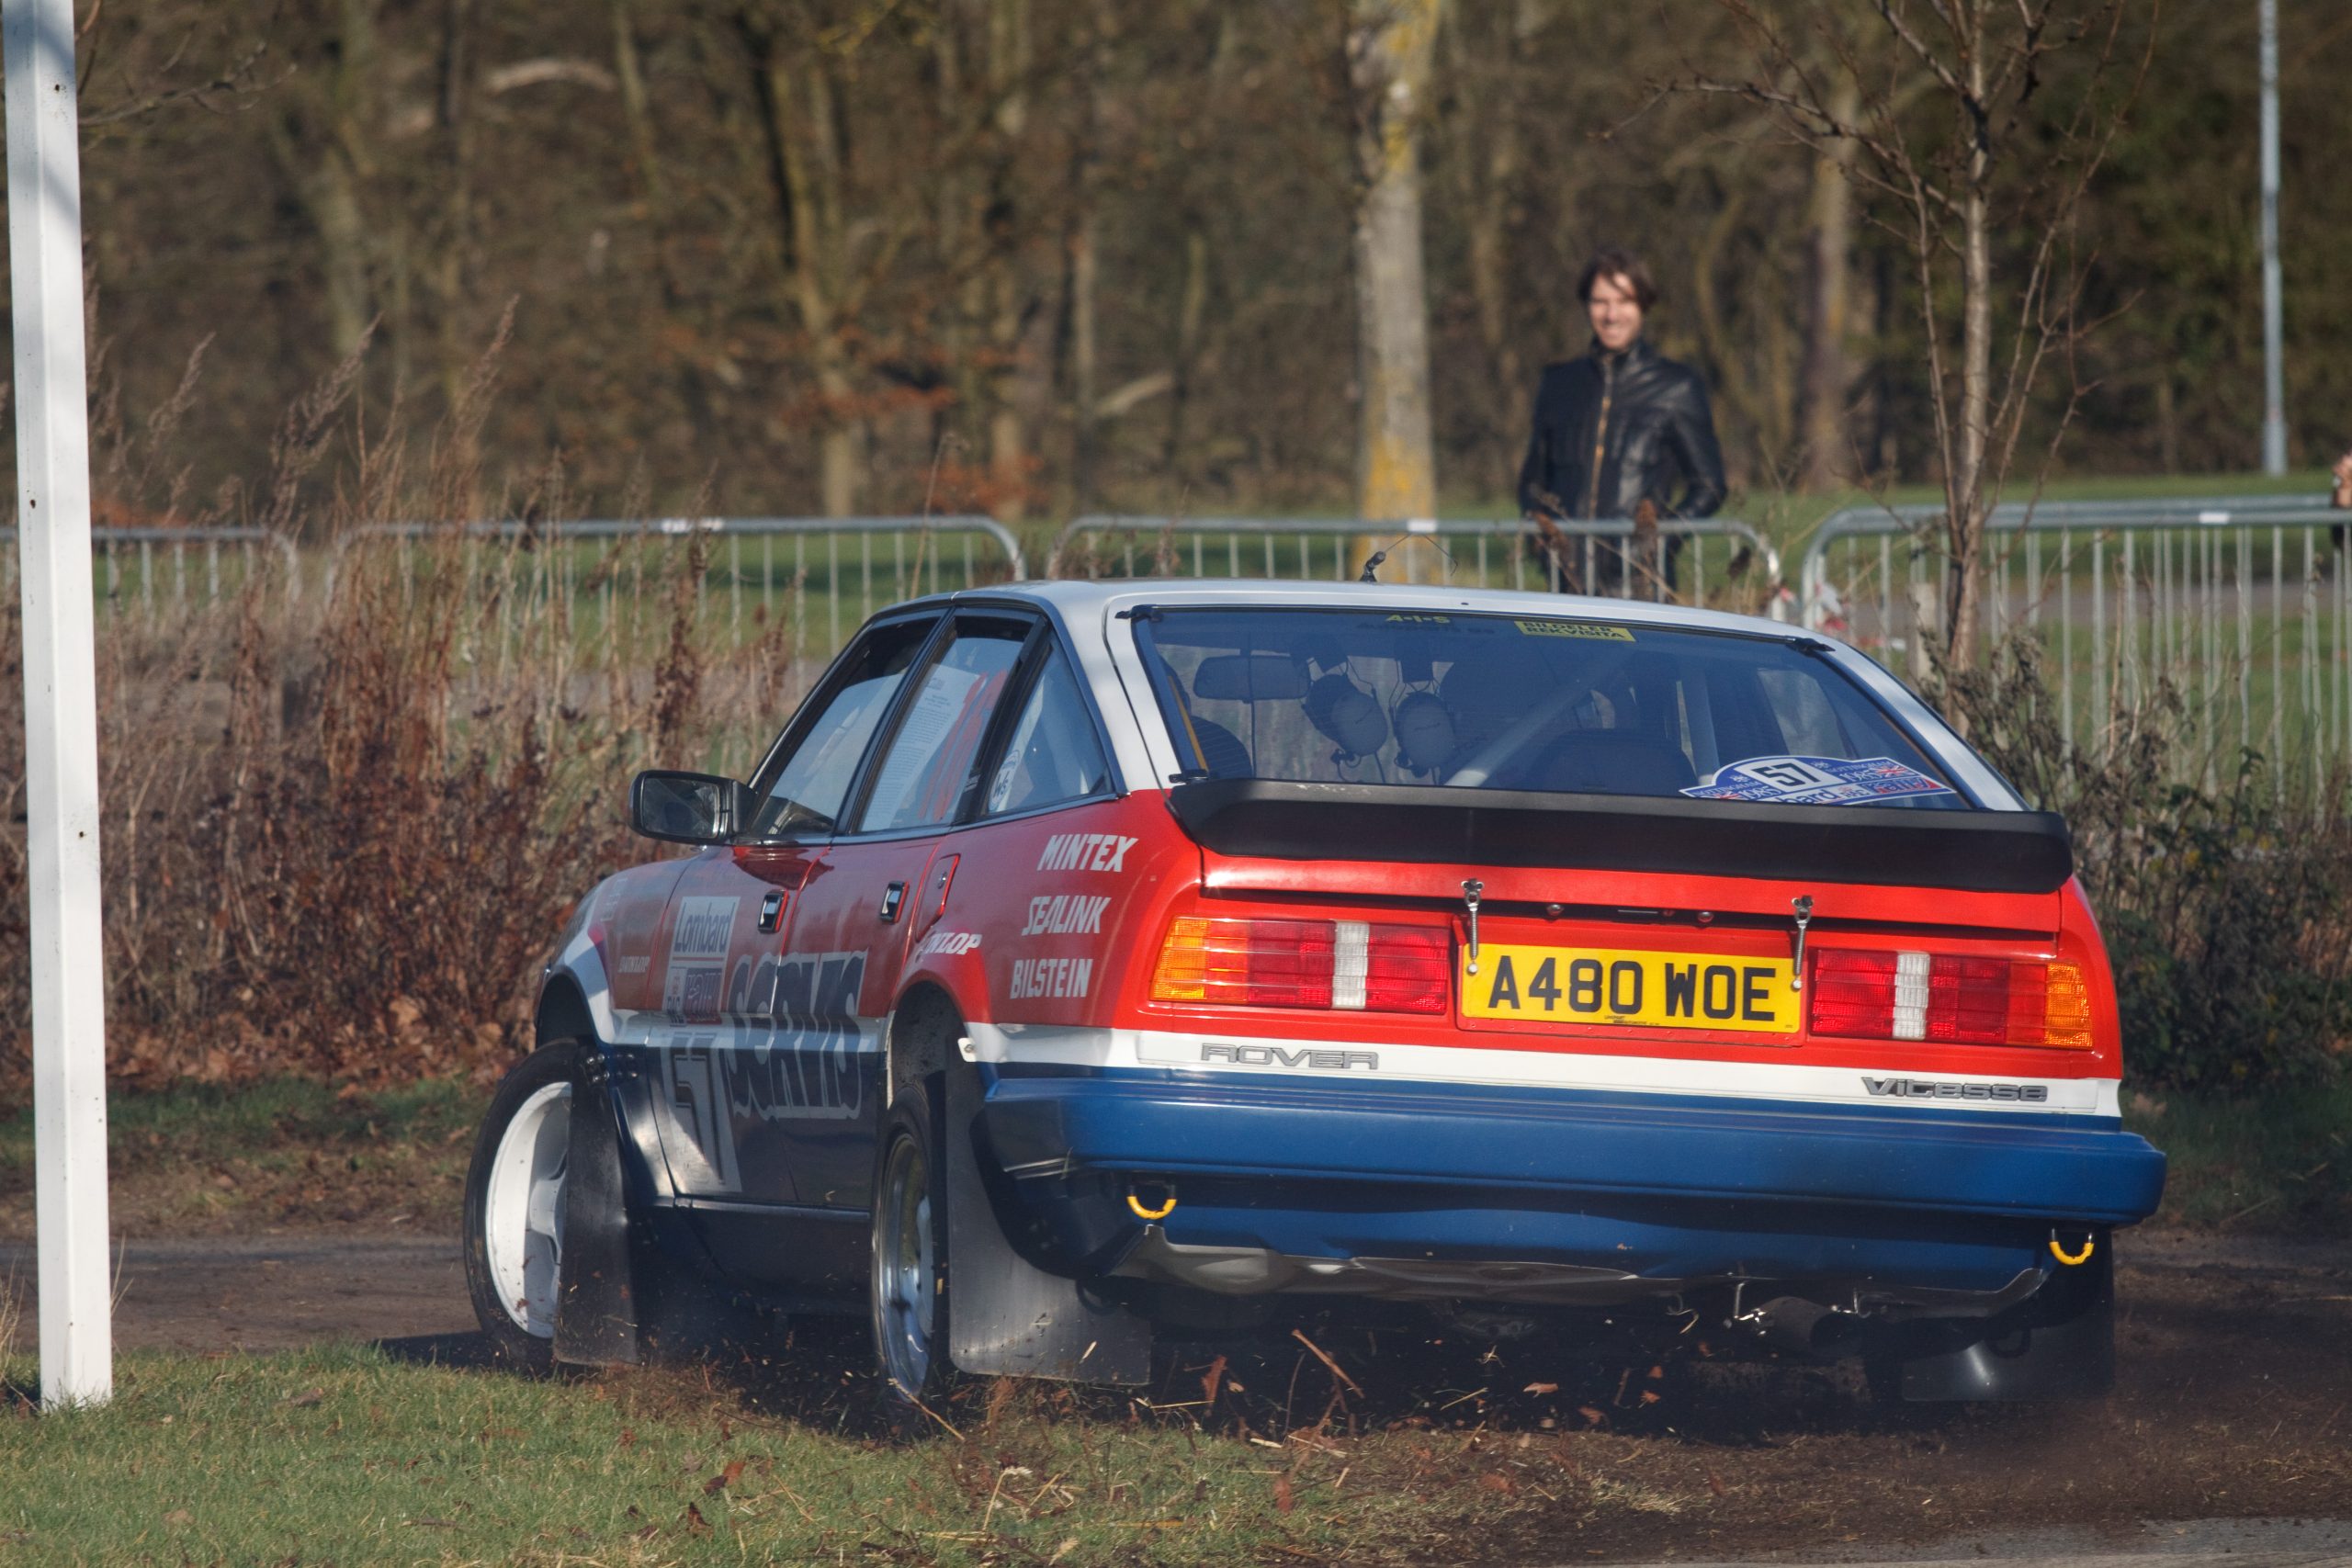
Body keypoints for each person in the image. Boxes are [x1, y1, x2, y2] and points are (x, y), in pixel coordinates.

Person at [1517, 248, 1727, 593]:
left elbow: (1709, 485)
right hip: (1566, 588)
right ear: (1586, 306)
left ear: (1643, 305)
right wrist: (1546, 543)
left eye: (1624, 301)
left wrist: (1660, 542)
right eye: (1600, 301)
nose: (1612, 314)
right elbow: (1533, 484)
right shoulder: (1557, 385)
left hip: (1640, 590)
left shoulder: (1677, 387)